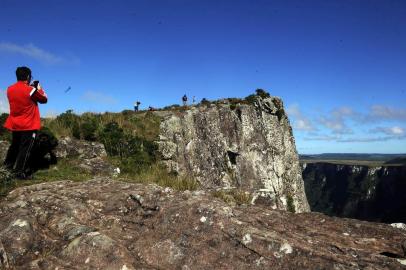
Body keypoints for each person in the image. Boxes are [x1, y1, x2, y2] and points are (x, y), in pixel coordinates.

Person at [3, 66, 48, 179]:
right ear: (28, 76)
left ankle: (6, 168)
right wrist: (39, 87)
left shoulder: (9, 89)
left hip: (15, 124)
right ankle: (19, 173)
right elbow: (44, 99)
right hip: (28, 125)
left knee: (14, 146)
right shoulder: (30, 90)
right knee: (25, 149)